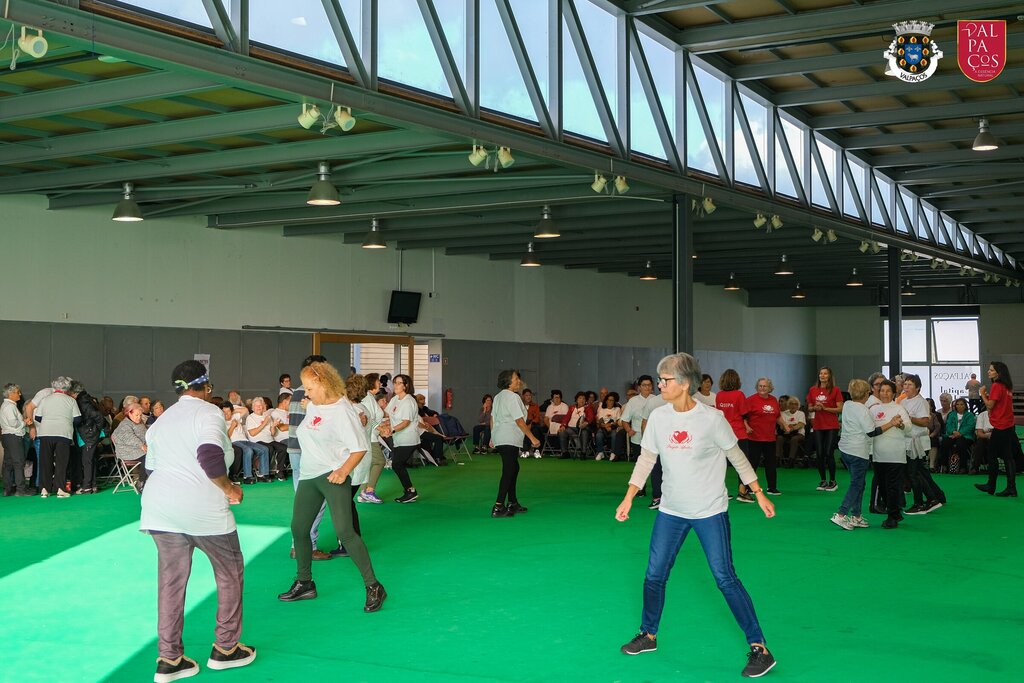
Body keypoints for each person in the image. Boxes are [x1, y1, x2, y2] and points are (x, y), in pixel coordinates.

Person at [615, 353, 777, 678]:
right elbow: (646, 459)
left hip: (709, 511)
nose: (660, 385)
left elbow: (736, 457)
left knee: (725, 578)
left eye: (665, 380)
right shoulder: (658, 417)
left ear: (684, 383)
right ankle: (648, 635)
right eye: (659, 379)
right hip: (671, 511)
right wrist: (629, 497)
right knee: (654, 575)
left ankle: (760, 648)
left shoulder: (712, 419)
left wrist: (758, 492)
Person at [140, 360, 255, 681]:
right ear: (205, 386)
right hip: (203, 509)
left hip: (160, 509)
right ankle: (226, 649)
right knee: (229, 572)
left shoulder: (161, 420)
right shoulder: (209, 413)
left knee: (171, 582)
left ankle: (169, 659)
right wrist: (230, 489)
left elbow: (150, 468)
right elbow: (209, 456)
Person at [278, 361, 385, 610]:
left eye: (309, 388)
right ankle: (305, 582)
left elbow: (359, 448)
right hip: (309, 475)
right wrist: (310, 406)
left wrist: (343, 471)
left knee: (345, 532)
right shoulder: (314, 404)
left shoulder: (343, 411)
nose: (306, 393)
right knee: (299, 529)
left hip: (332, 475)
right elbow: (313, 426)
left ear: (324, 384)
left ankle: (374, 586)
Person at [830, 379, 903, 530]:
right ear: (866, 394)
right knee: (856, 484)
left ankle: (856, 516)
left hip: (845, 450)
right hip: (858, 452)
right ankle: (841, 514)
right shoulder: (863, 410)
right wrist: (891, 423)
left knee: (859, 483)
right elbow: (872, 432)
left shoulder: (847, 405)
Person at [490, 369, 540, 517]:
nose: (519, 381)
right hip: (509, 437)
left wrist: (492, 437)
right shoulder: (513, 397)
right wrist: (532, 438)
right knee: (509, 470)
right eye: (516, 379)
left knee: (513, 468)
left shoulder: (498, 397)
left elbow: (492, 418)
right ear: (508, 381)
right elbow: (519, 420)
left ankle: (512, 502)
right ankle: (498, 506)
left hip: (501, 437)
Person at [901, 374, 946, 515]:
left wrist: (909, 418)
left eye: (910, 384)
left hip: (917, 442)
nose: (906, 387)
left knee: (913, 473)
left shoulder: (921, 402)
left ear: (918, 388)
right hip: (907, 441)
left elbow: (925, 421)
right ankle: (935, 498)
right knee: (920, 472)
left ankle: (919, 503)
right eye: (905, 384)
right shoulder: (903, 401)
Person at [871, 380, 910, 529]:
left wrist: (900, 424)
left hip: (895, 454)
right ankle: (895, 512)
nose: (885, 394)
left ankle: (892, 516)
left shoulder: (899, 409)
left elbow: (908, 428)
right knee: (882, 486)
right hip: (878, 454)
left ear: (894, 393)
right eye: (882, 390)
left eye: (888, 391)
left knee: (892, 486)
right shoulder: (874, 409)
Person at [35, 376, 81, 498]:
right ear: (67, 388)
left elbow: (38, 417)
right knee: (62, 462)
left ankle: (44, 489)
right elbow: (77, 419)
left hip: (45, 433)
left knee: (45, 462)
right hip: (63, 433)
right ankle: (60, 489)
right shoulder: (71, 401)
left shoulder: (45, 399)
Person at [975, 362, 1017, 497]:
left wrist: (982, 394)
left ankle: (991, 485)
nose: (989, 371)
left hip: (1000, 425)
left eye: (991, 370)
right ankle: (1011, 487)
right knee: (1007, 456)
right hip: (1009, 425)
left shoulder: (996, 386)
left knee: (992, 454)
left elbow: (989, 405)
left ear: (998, 373)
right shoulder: (1007, 386)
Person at [381, 374, 420, 503]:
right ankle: (410, 490)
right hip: (398, 439)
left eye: (399, 383)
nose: (396, 385)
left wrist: (391, 430)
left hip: (409, 439)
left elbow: (405, 422)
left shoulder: (409, 401)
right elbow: (387, 415)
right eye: (395, 382)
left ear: (406, 385)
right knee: (397, 464)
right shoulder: (395, 399)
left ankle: (410, 491)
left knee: (397, 464)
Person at [716, 369, 752, 502]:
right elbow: (744, 413)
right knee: (742, 463)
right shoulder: (739, 394)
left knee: (720, 464)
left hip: (722, 433)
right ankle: (742, 492)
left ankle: (719, 492)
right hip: (738, 433)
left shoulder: (719, 395)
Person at [807, 367, 844, 492]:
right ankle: (823, 480)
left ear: (829, 376)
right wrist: (815, 408)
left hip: (831, 425)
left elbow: (840, 409)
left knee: (829, 453)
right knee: (819, 453)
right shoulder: (813, 390)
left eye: (825, 374)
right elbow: (809, 407)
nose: (822, 376)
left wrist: (825, 408)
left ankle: (833, 481)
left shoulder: (835, 390)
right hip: (818, 425)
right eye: (821, 373)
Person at [745, 378, 781, 495]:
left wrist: (785, 426)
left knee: (771, 463)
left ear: (770, 388)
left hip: (770, 437)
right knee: (752, 463)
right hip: (754, 437)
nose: (762, 388)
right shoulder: (750, 400)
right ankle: (748, 488)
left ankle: (772, 487)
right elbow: (743, 417)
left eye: (765, 386)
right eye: (760, 386)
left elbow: (777, 416)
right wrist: (747, 427)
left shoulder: (774, 400)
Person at [356, 373, 387, 504]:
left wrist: (382, 427)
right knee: (380, 461)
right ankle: (368, 491)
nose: (380, 383)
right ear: (371, 383)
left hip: (372, 436)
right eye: (378, 381)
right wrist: (381, 428)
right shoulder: (367, 398)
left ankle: (363, 492)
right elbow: (368, 419)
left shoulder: (370, 397)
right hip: (369, 437)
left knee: (369, 464)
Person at [71, 380, 106, 495]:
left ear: (74, 392)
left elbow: (99, 417)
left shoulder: (83, 402)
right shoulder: (85, 399)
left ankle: (87, 486)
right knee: (90, 460)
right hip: (86, 434)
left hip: (88, 435)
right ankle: (92, 484)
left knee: (87, 461)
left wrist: (94, 431)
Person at [1, 383, 34, 496]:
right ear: (10, 393)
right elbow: (13, 423)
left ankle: (8, 488)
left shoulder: (6, 405)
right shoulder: (10, 407)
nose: (19, 394)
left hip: (7, 436)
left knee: (8, 463)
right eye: (17, 392)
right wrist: (25, 422)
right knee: (18, 462)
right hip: (14, 437)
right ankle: (21, 489)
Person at [111, 401, 150, 490]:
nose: (139, 417)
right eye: (136, 415)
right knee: (148, 456)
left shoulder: (140, 422)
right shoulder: (125, 424)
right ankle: (141, 482)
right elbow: (129, 437)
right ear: (129, 413)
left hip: (138, 449)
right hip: (127, 451)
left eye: (140, 415)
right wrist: (142, 445)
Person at [941, 398, 976, 475]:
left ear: (965, 406)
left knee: (961, 444)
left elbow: (970, 426)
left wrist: (960, 433)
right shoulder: (952, 414)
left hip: (966, 436)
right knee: (945, 442)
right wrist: (953, 432)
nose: (959, 406)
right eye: (957, 404)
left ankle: (963, 467)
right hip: (952, 435)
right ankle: (944, 465)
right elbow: (948, 425)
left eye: (961, 404)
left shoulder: (970, 415)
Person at [558, 391, 594, 459]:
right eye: (580, 398)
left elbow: (591, 417)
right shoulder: (572, 407)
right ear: (576, 400)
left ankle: (583, 453)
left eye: (583, 398)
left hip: (582, 428)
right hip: (571, 428)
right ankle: (565, 453)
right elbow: (566, 418)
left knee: (584, 432)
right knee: (562, 432)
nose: (582, 400)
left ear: (586, 400)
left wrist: (586, 423)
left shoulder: (588, 407)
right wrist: (563, 425)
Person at [775, 397, 805, 468]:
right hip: (785, 433)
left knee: (794, 439)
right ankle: (777, 459)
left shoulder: (801, 413)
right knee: (779, 438)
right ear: (788, 405)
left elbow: (800, 424)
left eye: (795, 404)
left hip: (798, 434)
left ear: (798, 405)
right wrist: (788, 427)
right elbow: (782, 425)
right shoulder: (783, 414)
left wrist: (792, 428)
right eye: (791, 404)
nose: (793, 406)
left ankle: (791, 461)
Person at [595, 392, 622, 461]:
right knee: (598, 435)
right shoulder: (602, 410)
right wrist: (605, 426)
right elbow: (600, 421)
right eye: (609, 400)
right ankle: (600, 452)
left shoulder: (617, 409)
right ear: (606, 401)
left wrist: (610, 425)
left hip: (613, 428)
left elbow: (618, 421)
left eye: (612, 400)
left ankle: (613, 453)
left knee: (614, 435)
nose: (610, 402)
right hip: (603, 428)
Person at [520, 388, 544, 458]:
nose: (528, 397)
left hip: (533, 424)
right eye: (526, 395)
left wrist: (531, 424)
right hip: (522, 424)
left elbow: (537, 418)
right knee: (524, 429)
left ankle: (536, 450)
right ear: (523, 396)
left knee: (536, 429)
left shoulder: (535, 406)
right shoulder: (519, 406)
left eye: (530, 395)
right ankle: (525, 450)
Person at [971, 408, 993, 475]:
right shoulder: (982, 415)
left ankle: (992, 466)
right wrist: (987, 435)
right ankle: (975, 467)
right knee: (980, 441)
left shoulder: (1001, 414)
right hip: (984, 437)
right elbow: (979, 433)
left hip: (998, 438)